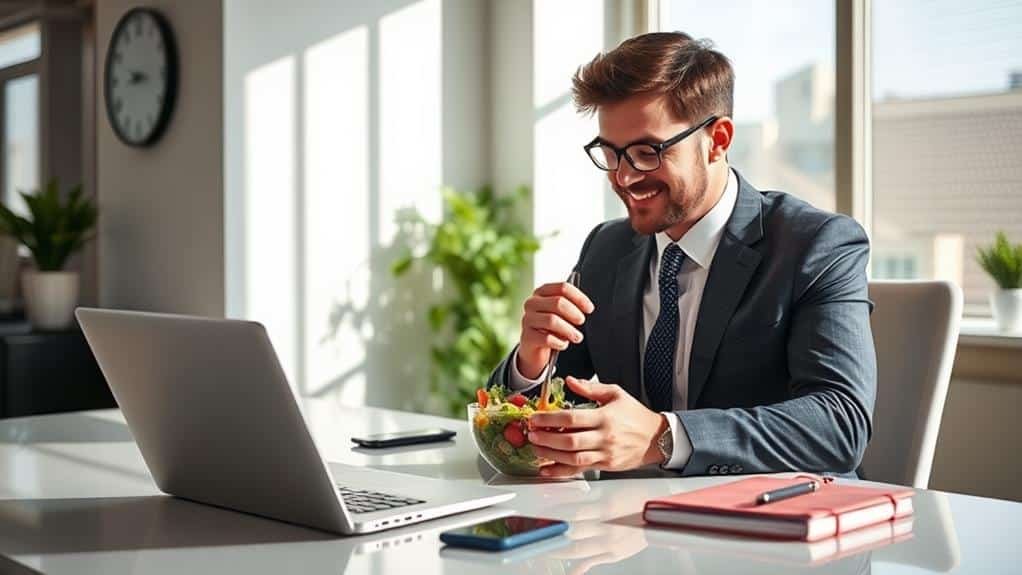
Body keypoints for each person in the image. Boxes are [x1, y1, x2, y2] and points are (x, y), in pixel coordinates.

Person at [486, 31, 876, 478]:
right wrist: (531, 363)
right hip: (629, 527)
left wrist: (662, 437)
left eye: (647, 152)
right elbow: (518, 426)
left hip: (772, 526)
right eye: (610, 154)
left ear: (718, 139)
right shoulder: (605, 249)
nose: (624, 177)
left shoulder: (816, 244)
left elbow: (840, 424)